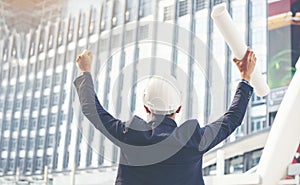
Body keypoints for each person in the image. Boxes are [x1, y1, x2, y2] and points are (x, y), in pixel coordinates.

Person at [74, 48, 256, 185]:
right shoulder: (193, 140)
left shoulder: (130, 135)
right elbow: (232, 119)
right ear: (178, 108)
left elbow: (91, 109)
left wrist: (85, 72)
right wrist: (245, 77)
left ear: (146, 107)